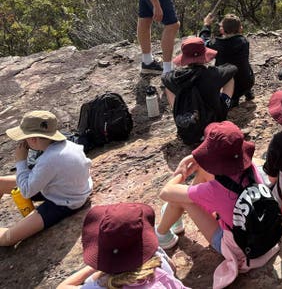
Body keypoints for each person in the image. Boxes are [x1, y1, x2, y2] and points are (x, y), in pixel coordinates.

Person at [156, 121, 278, 288]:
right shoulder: (251, 168)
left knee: (182, 199)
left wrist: (183, 170)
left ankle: (163, 235)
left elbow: (165, 192)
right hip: (261, 233)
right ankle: (175, 216)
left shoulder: (214, 190)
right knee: (195, 185)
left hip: (238, 248)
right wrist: (200, 161)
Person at [0, 111, 92, 247]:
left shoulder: (48, 160)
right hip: (64, 187)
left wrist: (21, 161)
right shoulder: (69, 145)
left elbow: (26, 191)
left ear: (33, 139)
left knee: (6, 239)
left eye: (24, 137)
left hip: (64, 203)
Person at [56, 203, 188, 289]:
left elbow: (63, 287)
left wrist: (95, 267)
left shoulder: (98, 285)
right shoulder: (157, 258)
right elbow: (172, 268)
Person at [161, 36, 236, 113]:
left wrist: (176, 73)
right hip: (216, 117)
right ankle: (225, 105)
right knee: (229, 78)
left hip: (187, 122)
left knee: (168, 87)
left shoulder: (178, 77)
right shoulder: (214, 74)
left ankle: (178, 111)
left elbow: (164, 78)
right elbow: (232, 69)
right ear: (205, 54)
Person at [199, 13, 254, 106]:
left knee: (227, 73)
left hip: (230, 85)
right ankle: (247, 92)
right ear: (240, 29)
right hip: (247, 82)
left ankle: (233, 100)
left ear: (222, 30)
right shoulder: (244, 42)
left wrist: (206, 25)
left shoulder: (216, 44)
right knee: (242, 66)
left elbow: (202, 42)